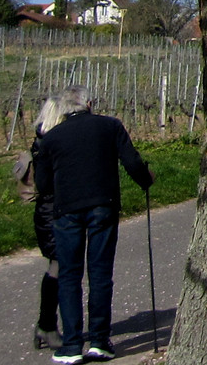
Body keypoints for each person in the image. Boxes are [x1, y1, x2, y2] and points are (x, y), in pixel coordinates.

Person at [34, 85, 154, 364]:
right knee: (100, 274)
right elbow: (133, 163)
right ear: (88, 103)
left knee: (69, 276)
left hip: (67, 211)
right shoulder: (110, 126)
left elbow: (42, 184)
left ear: (65, 108)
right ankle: (100, 341)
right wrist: (146, 180)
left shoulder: (52, 137)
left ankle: (72, 345)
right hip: (104, 205)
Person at [14, 95, 68, 351]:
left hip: (51, 211)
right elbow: (48, 186)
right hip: (52, 213)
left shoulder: (43, 140)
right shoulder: (48, 144)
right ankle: (46, 325)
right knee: (58, 267)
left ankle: (48, 325)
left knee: (60, 267)